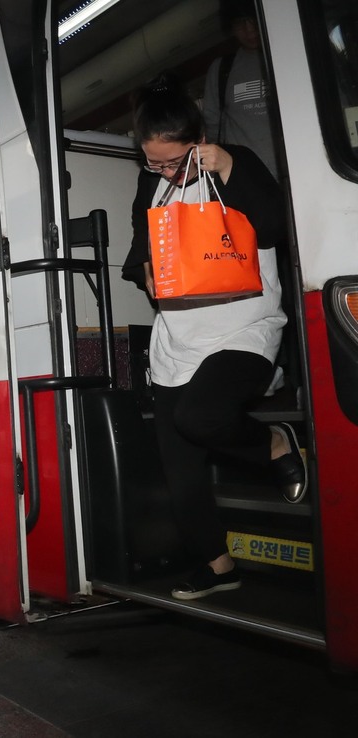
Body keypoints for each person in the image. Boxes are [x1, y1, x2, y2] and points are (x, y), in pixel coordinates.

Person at [121, 75, 306, 601]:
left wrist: (225, 167)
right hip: (180, 336)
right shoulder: (150, 181)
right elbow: (140, 249)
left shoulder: (236, 164)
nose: (162, 171)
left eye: (172, 161)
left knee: (200, 417)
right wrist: (146, 273)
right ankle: (219, 567)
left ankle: (272, 442)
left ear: (198, 139)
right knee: (180, 474)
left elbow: (273, 228)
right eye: (152, 161)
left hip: (245, 327)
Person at [202, 0, 278, 178]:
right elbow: (212, 125)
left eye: (253, 19)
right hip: (246, 179)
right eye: (240, 23)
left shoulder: (294, 57)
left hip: (300, 169)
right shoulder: (222, 69)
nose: (249, 30)